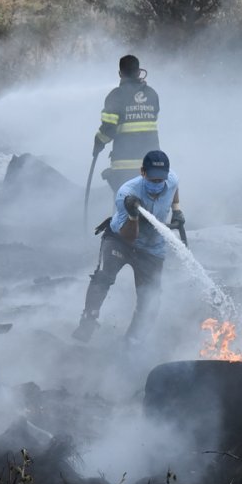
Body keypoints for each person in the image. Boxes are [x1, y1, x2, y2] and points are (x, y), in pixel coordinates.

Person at [72, 150, 186, 344]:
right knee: (104, 277)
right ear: (143, 172)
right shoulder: (127, 193)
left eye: (161, 180)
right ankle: (88, 321)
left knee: (150, 298)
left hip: (152, 248)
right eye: (153, 179)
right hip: (121, 240)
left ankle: (133, 342)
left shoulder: (171, 179)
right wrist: (133, 216)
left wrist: (177, 211)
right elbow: (129, 236)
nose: (157, 185)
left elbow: (174, 189)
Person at [93, 54, 160, 193]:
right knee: (149, 208)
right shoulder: (152, 94)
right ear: (138, 71)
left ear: (120, 73)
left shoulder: (116, 96)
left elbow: (108, 129)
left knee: (124, 208)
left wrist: (98, 142)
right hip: (152, 166)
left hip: (124, 167)